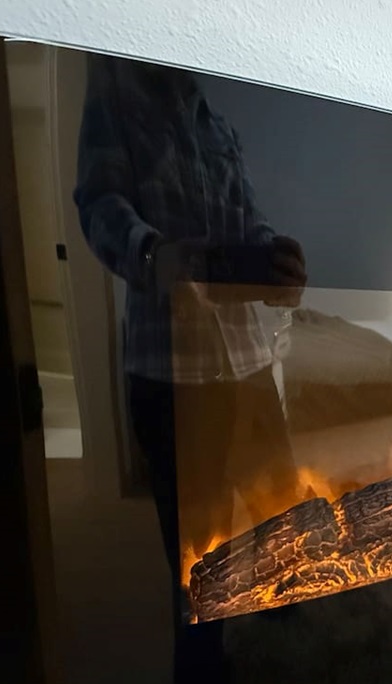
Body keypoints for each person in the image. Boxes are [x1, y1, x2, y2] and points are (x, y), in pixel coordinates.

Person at [73, 54, 305, 624]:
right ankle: (205, 660)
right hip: (171, 368)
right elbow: (99, 203)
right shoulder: (114, 90)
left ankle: (283, 613)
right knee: (199, 555)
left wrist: (275, 260)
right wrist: (155, 256)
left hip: (248, 356)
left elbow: (248, 220)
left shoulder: (216, 125)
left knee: (280, 507)